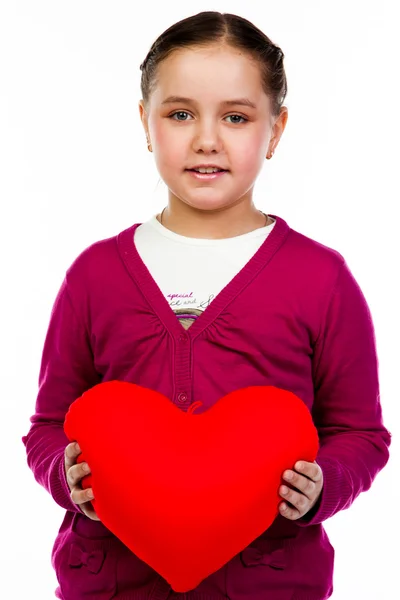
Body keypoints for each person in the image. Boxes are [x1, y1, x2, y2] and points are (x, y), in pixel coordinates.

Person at [22, 10, 391, 600]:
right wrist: (64, 478)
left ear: (276, 130)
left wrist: (325, 486)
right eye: (180, 114)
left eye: (237, 117)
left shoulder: (321, 278)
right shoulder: (94, 275)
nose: (207, 139)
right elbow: (47, 425)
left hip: (271, 584)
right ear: (146, 122)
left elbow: (359, 431)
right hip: (113, 584)